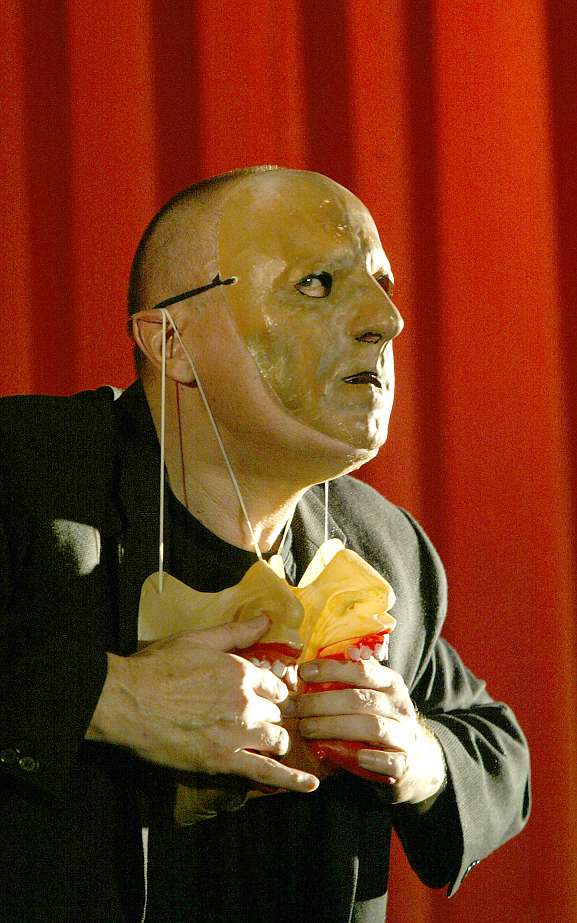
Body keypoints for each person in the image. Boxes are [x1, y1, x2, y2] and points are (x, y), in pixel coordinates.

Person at [0, 166, 530, 922]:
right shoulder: (22, 471)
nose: (387, 321)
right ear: (171, 340)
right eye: (315, 284)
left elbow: (495, 747)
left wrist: (417, 755)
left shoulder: (384, 545)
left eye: (382, 285)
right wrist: (107, 698)